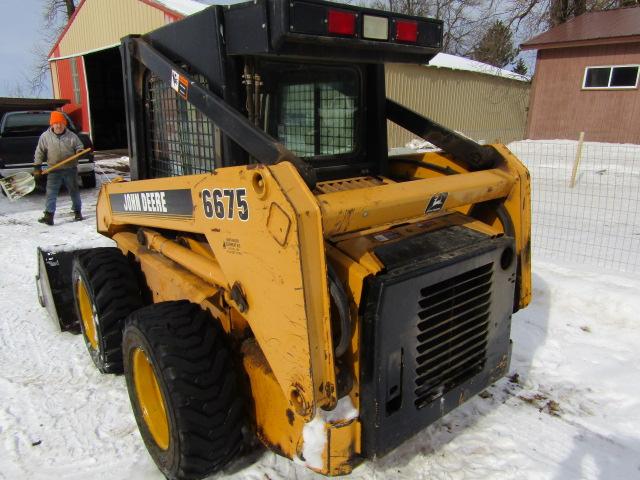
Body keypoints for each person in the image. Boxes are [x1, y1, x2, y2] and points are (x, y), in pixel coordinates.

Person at [34, 111, 85, 226]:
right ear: (52, 124)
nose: (58, 126)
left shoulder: (72, 136)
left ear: (64, 124)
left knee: (74, 191)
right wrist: (37, 166)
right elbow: (39, 152)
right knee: (51, 193)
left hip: (70, 169)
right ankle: (49, 216)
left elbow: (79, 146)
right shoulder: (45, 136)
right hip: (53, 170)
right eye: (56, 123)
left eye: (61, 123)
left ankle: (77, 212)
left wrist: (79, 151)